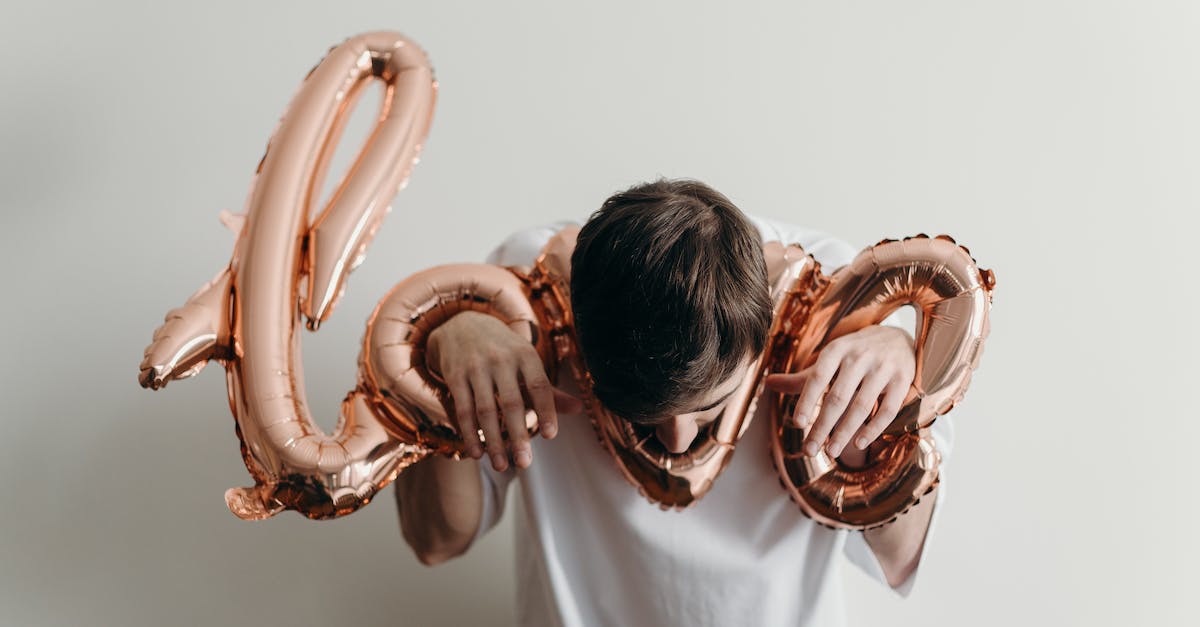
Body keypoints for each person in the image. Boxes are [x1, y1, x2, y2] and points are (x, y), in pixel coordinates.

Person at [393, 178, 954, 626]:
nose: (677, 442)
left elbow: (900, 557)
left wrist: (888, 398)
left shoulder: (837, 295)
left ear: (766, 330)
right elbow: (436, 541)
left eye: (709, 408)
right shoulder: (528, 284)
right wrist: (446, 343)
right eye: (640, 415)